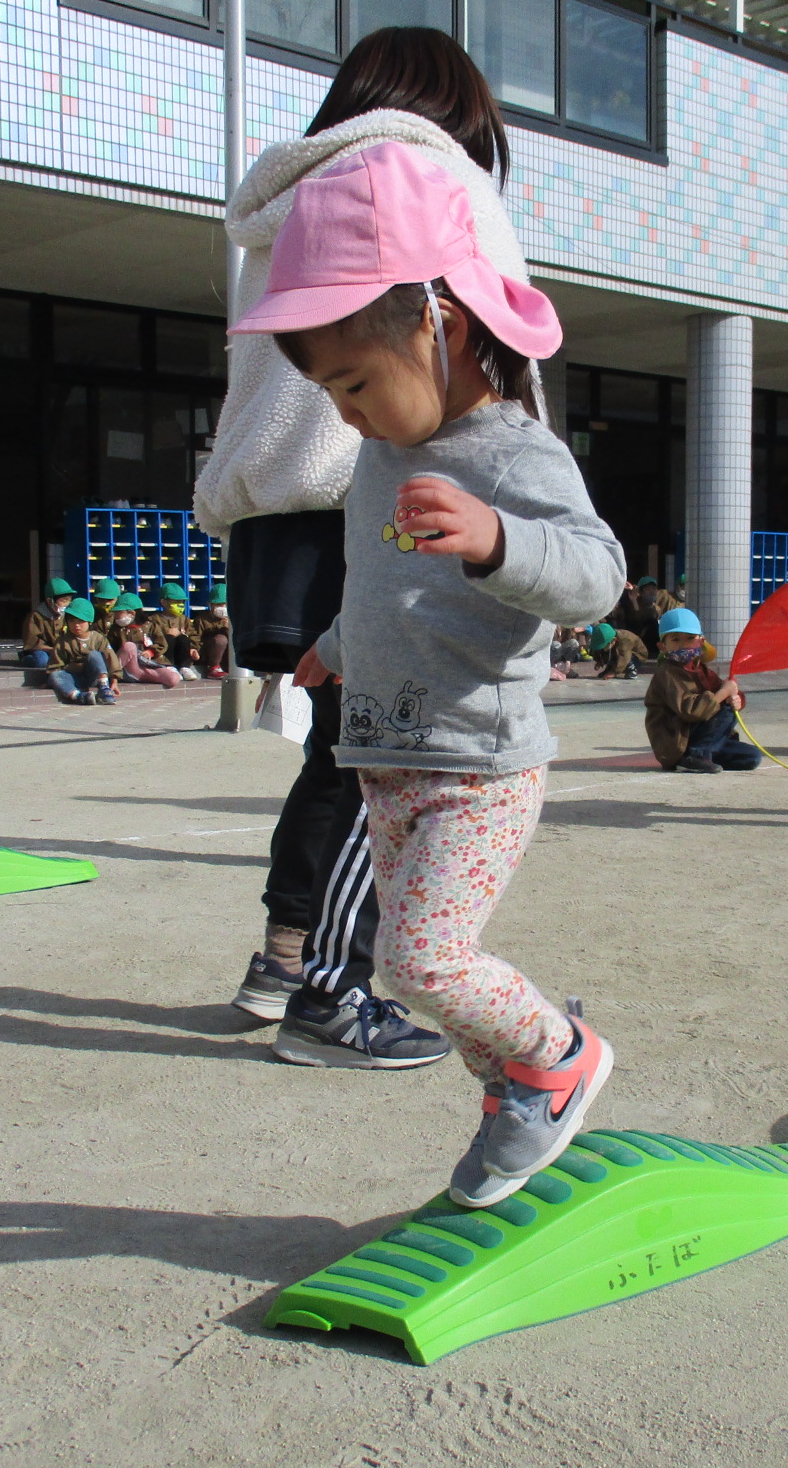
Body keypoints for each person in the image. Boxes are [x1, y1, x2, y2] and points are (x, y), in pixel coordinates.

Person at [240, 139, 623, 1203]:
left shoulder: (513, 454)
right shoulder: (379, 459)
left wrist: (499, 539)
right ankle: (513, 1089)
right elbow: (383, 583)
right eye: (329, 393)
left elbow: (598, 576)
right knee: (414, 964)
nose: (347, 414)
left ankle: (557, 1055)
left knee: (418, 961)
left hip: (478, 767)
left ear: (436, 323)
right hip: (386, 761)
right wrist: (336, 645)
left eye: (356, 382)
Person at [200, 25, 532, 1070]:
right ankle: (332, 994)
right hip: (388, 504)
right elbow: (494, 356)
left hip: (277, 518)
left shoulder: (287, 202)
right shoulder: (426, 180)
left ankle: (287, 959)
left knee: (342, 750)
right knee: (386, 756)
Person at [643, 607, 760, 773]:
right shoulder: (667, 673)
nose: (684, 644)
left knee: (751, 757)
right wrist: (724, 694)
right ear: (663, 647)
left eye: (690, 638)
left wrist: (735, 698)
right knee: (725, 709)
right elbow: (689, 710)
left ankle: (705, 754)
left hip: (698, 736)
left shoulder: (702, 670)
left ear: (701, 641)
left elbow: (723, 689)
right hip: (677, 741)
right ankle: (695, 755)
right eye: (675, 639)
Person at [49, 598, 118, 705]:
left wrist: (114, 680)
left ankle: (104, 688)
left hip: (94, 676)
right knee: (56, 675)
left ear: (89, 621)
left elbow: (111, 659)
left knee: (94, 655)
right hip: (74, 677)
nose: (76, 625)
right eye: (72, 621)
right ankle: (79, 696)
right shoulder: (63, 641)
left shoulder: (98, 638)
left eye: (81, 621)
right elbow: (55, 665)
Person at [109, 592, 183, 688]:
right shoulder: (116, 629)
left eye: (119, 613)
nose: (115, 616)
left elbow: (162, 644)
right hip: (126, 667)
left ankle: (139, 677)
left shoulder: (150, 625)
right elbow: (110, 649)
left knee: (173, 678)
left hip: (146, 666)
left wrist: (151, 651)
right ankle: (113, 677)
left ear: (132, 613)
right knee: (129, 646)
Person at [146, 583, 202, 676]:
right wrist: (166, 634)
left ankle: (185, 667)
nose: (180, 605)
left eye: (182, 602)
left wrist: (193, 648)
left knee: (183, 638)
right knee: (169, 638)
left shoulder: (184, 619)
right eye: (176, 602)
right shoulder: (154, 619)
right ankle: (169, 665)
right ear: (164, 602)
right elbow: (150, 638)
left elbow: (193, 635)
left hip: (181, 655)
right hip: (163, 656)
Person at [22, 578, 75, 671]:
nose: (66, 605)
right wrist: (52, 649)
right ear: (50, 601)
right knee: (41, 661)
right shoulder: (36, 616)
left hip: (62, 649)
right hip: (43, 650)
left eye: (69, 601)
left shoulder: (68, 614)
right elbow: (32, 642)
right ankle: (25, 658)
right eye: (63, 601)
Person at [193, 588, 231, 679]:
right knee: (221, 639)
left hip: (228, 658)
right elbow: (196, 638)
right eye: (219, 604)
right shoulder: (202, 619)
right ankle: (214, 668)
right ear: (210, 605)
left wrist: (229, 629)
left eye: (225, 604)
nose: (223, 607)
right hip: (208, 655)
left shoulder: (232, 619)